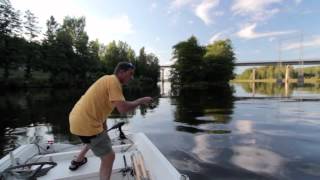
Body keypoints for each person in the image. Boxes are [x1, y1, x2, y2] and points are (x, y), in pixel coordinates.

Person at [68, 62, 153, 180]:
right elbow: (122, 108)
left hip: (76, 120)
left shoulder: (106, 80)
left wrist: (104, 127)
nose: (132, 77)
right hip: (87, 124)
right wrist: (141, 100)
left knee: (94, 139)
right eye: (130, 73)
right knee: (109, 157)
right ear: (121, 72)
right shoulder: (114, 82)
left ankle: (78, 160)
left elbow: (101, 106)